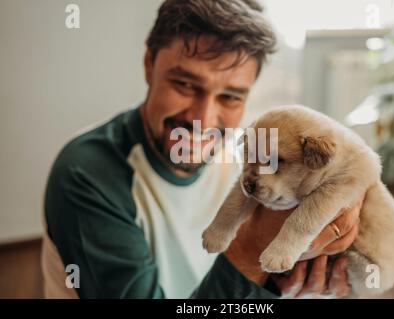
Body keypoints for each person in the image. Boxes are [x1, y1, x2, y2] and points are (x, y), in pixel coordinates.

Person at [41, 0, 362, 298]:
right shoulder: (86, 173)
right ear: (149, 64)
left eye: (230, 97)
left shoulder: (244, 160)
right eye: (185, 85)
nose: (203, 120)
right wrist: (252, 252)